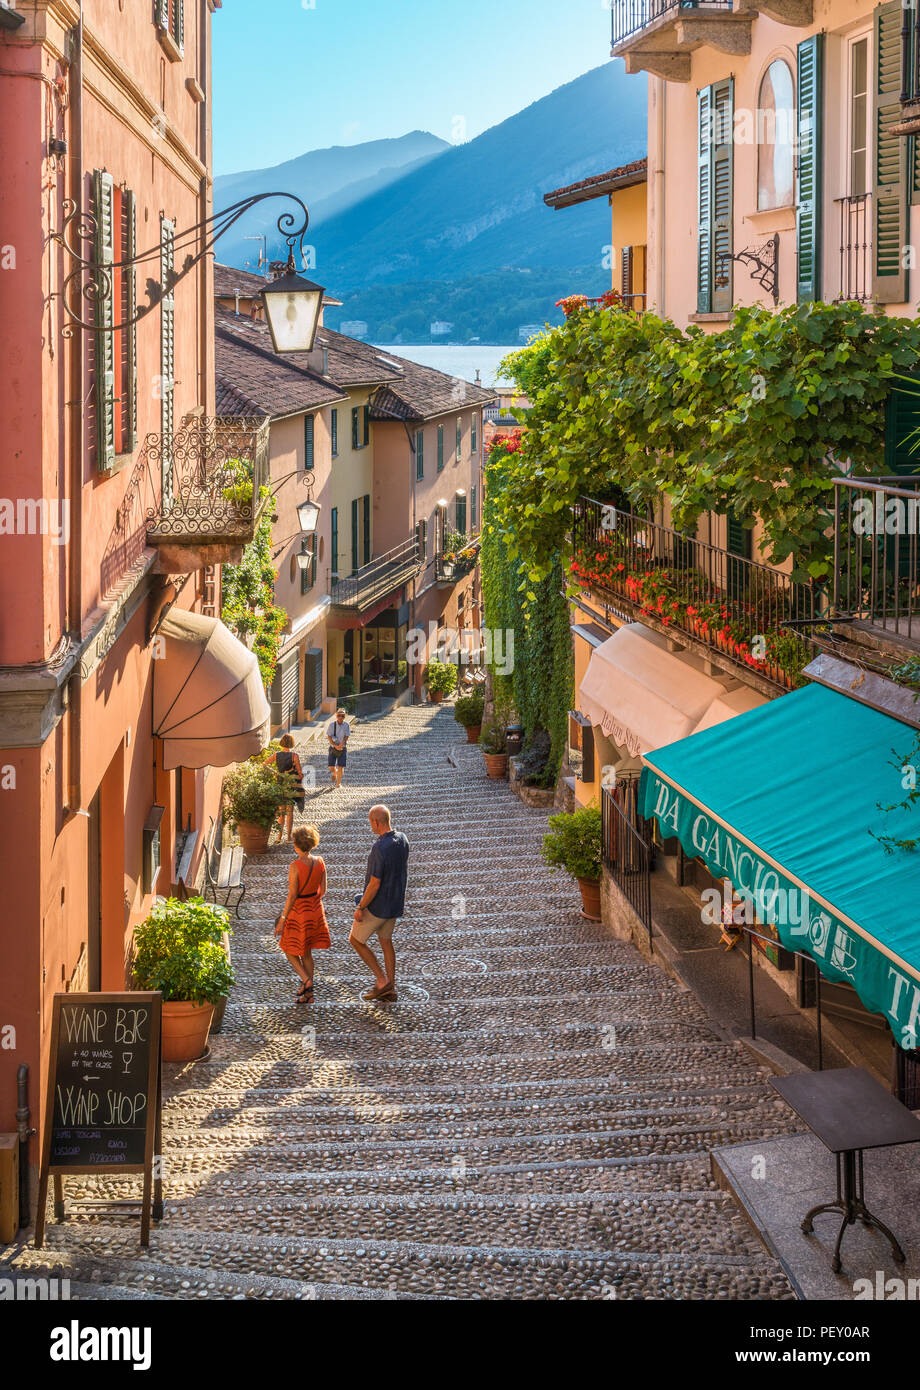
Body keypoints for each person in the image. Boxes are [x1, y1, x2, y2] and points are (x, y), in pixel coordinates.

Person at [349, 804, 409, 1003]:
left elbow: (374, 884)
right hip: (394, 904)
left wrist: (361, 907)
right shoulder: (402, 839)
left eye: (370, 822)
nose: (371, 826)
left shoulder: (379, 848)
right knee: (386, 942)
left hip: (377, 906)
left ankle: (382, 981)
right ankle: (390, 988)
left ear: (375, 822)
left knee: (356, 940)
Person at [275, 825, 330, 1004]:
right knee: (306, 953)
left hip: (299, 912)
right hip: (315, 910)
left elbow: (292, 895)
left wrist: (283, 919)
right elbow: (323, 890)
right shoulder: (320, 861)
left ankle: (307, 982)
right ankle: (309, 994)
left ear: (297, 845)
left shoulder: (295, 866)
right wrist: (312, 902)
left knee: (287, 948)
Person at [274, 733, 305, 843]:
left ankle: (279, 836)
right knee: (289, 812)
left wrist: (276, 773)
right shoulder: (294, 755)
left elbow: (264, 764)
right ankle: (288, 838)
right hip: (291, 786)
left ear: (282, 742)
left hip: (280, 785)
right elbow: (300, 773)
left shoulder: (276, 755)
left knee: (281, 811)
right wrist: (299, 776)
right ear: (291, 743)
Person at [327, 708, 351, 789]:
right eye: (339, 715)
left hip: (342, 748)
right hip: (333, 748)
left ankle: (338, 784)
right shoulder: (331, 725)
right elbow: (329, 737)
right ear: (336, 716)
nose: (340, 717)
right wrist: (335, 745)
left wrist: (342, 744)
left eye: (342, 716)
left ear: (344, 716)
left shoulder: (347, 725)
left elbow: (347, 736)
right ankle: (335, 773)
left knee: (340, 766)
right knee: (331, 767)